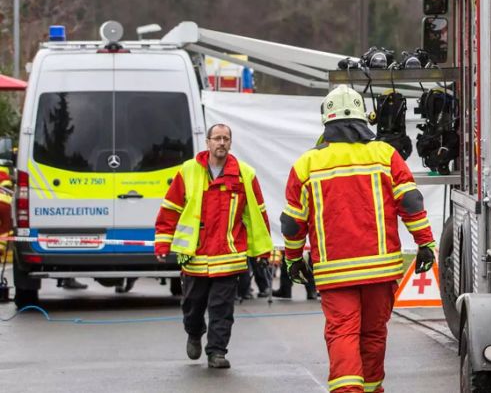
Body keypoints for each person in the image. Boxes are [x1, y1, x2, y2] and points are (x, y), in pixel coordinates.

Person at [281, 85, 436, 392]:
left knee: (342, 334)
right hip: (381, 270)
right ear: (364, 118)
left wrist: (293, 259)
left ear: (326, 121)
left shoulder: (307, 164)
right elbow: (410, 203)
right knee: (374, 334)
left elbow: (293, 223)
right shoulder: (384, 154)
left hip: (335, 271)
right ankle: (372, 388)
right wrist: (425, 243)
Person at [154, 123, 273, 369]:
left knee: (222, 309)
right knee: (193, 306)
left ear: (230, 143)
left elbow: (257, 214)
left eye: (226, 138)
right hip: (195, 256)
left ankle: (217, 351)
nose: (221, 143)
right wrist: (163, 243)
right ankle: (194, 332)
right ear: (207, 142)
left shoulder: (245, 174)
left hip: (229, 257)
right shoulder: (188, 171)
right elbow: (171, 208)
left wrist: (262, 249)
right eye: (217, 138)